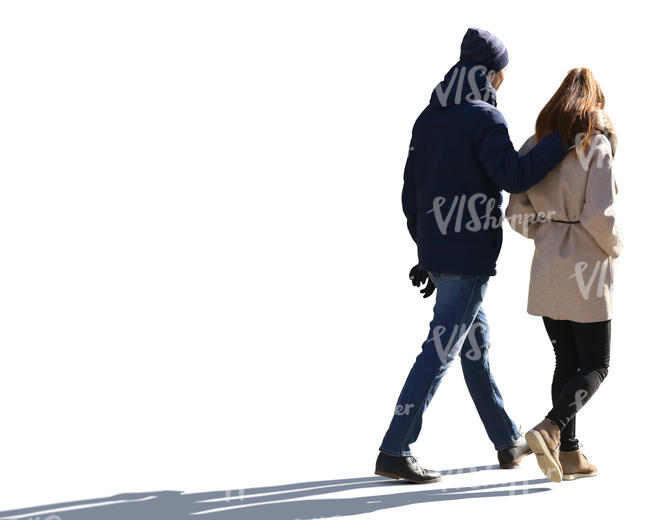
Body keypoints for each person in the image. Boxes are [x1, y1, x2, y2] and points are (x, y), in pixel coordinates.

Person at [375, 28, 569, 483]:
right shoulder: (485, 118)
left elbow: (410, 193)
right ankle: (394, 447)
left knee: (474, 347)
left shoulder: (427, 119)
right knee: (440, 350)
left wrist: (425, 249)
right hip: (468, 255)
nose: (503, 80)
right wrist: (560, 140)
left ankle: (506, 441)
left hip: (439, 252)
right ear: (490, 73)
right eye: (502, 72)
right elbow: (514, 176)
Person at [506, 68, 621, 483]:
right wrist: (616, 248)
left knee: (566, 359)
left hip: (548, 264)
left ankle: (570, 454)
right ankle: (551, 427)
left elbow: (515, 216)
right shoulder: (596, 146)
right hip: (587, 265)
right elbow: (599, 215)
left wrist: (547, 227)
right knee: (597, 363)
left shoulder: (534, 144)